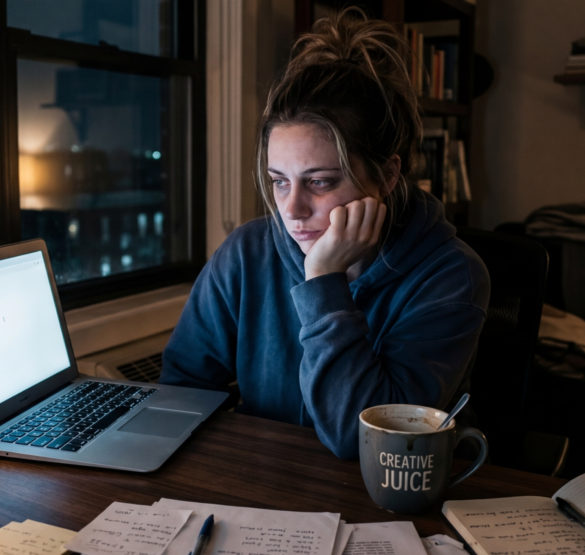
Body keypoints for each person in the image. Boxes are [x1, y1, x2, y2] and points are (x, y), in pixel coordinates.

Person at [159, 9, 489, 459]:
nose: (291, 210)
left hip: (383, 492)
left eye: (319, 181)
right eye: (279, 181)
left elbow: (366, 442)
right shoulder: (246, 253)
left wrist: (324, 284)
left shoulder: (451, 276)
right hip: (265, 483)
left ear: (387, 175)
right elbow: (180, 394)